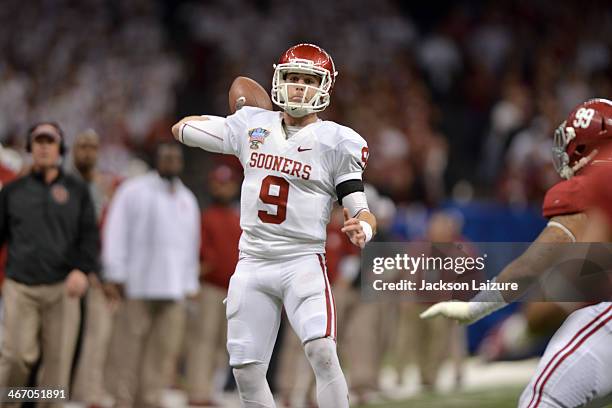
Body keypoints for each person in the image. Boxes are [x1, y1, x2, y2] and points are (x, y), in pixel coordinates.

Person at [172, 43, 377, 408]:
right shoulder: (253, 125)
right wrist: (241, 119)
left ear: (324, 87)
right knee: (247, 370)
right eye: (293, 78)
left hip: (302, 260)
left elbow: (359, 208)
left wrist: (365, 227)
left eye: (308, 79)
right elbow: (182, 129)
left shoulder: (337, 140)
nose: (299, 87)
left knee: (322, 350)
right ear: (279, 81)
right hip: (252, 260)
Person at [421, 98, 612, 407]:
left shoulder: (594, 186)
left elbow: (532, 268)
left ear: (584, 147)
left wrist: (482, 312)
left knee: (540, 401)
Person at [0, 122, 99, 406]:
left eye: (50, 140)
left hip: (62, 289)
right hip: (20, 286)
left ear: (60, 148)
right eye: (38, 140)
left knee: (57, 367)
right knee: (16, 357)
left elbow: (89, 236)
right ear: (30, 148)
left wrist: (82, 269)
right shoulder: (12, 191)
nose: (43, 146)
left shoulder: (77, 191)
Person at [102, 142, 200, 408]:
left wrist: (190, 284)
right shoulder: (134, 190)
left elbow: (190, 245)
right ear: (157, 159)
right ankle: (122, 400)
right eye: (166, 156)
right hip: (137, 284)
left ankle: (150, 400)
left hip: (173, 288)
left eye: (175, 157)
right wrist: (115, 272)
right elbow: (116, 231)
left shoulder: (187, 199)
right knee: (128, 348)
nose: (170, 161)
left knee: (162, 352)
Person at [185, 164, 241, 406]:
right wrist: (201, 274)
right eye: (219, 182)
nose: (222, 187)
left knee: (222, 342)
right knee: (203, 340)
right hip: (209, 287)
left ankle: (210, 389)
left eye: (226, 183)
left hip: (232, 290)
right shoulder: (205, 216)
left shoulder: (239, 217)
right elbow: (200, 252)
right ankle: (198, 391)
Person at [68, 129, 116, 406]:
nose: (87, 152)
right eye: (82, 146)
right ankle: (49, 392)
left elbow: (103, 233)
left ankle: (87, 391)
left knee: (96, 334)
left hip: (95, 270)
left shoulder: (103, 186)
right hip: (66, 270)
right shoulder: (61, 183)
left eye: (92, 147)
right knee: (61, 337)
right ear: (73, 150)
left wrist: (101, 271)